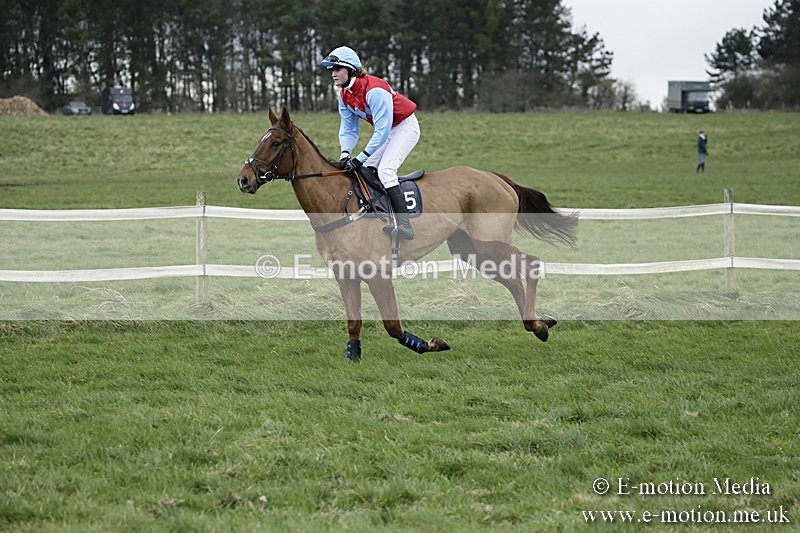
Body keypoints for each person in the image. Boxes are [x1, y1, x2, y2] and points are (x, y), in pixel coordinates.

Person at [321, 46, 419, 240]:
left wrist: (360, 157)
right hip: (388, 130)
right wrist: (345, 154)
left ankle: (405, 225)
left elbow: (382, 130)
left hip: (405, 127)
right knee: (364, 170)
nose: (333, 74)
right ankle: (379, 210)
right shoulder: (344, 94)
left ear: (350, 69)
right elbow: (349, 129)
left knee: (385, 171)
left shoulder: (374, 90)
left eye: (337, 69)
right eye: (331, 70)